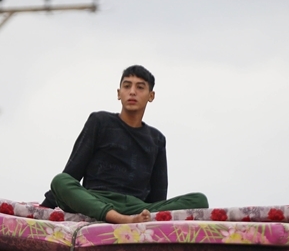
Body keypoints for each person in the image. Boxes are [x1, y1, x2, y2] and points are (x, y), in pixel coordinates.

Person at [42, 65, 208, 225]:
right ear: (118, 93)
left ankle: (131, 219)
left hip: (136, 207)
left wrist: (151, 213)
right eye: (127, 86)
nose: (132, 92)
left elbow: (159, 196)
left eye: (140, 87)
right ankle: (119, 219)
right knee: (60, 181)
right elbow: (72, 171)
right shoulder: (100, 121)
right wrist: (43, 208)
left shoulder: (156, 139)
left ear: (151, 96)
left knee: (199, 200)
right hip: (96, 200)